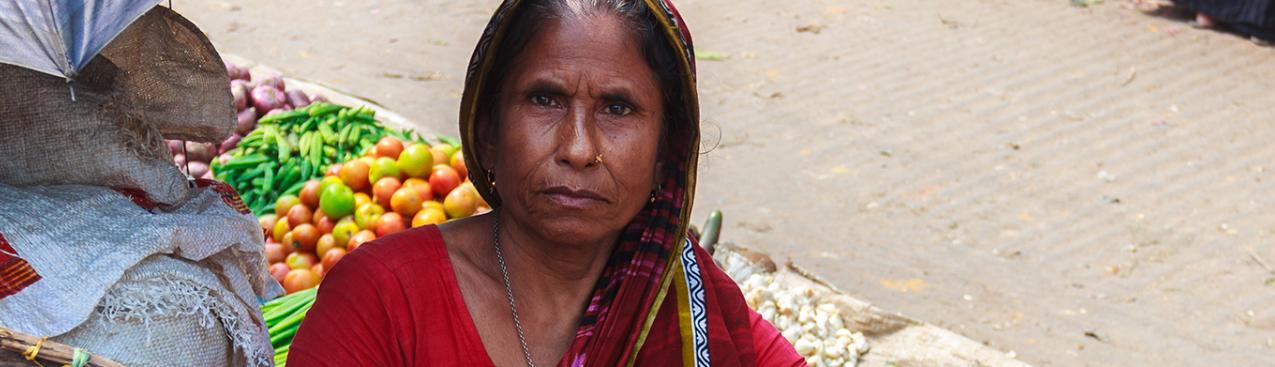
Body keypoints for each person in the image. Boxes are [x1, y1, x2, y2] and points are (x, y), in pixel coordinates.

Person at [286, 0, 805, 366]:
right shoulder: (381, 299)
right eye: (544, 99)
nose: (578, 148)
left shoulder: (685, 312)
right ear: (487, 132)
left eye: (618, 108)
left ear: (666, 155)